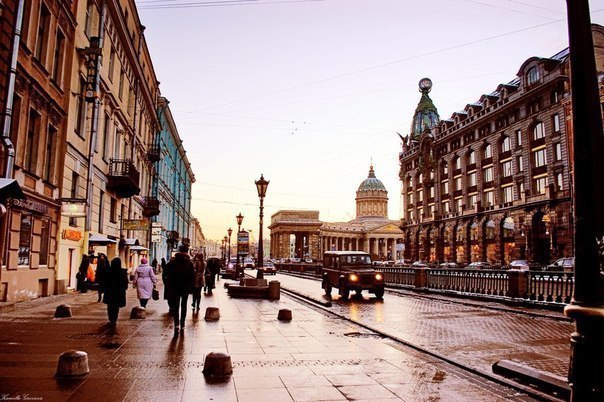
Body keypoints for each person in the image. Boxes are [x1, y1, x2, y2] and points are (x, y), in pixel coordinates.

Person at [165, 245, 195, 333]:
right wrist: (191, 287)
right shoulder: (189, 263)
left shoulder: (172, 262)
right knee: (184, 305)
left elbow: (166, 274)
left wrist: (169, 285)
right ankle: (182, 325)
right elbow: (192, 276)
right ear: (186, 252)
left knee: (176, 306)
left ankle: (176, 325)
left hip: (174, 287)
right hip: (185, 287)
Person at [101, 257, 129, 325]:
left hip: (110, 292)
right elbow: (125, 282)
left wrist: (104, 289)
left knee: (110, 306)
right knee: (116, 306)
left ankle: (111, 318)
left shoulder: (108, 271)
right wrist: (124, 289)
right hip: (119, 292)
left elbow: (105, 281)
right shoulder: (123, 272)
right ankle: (114, 319)